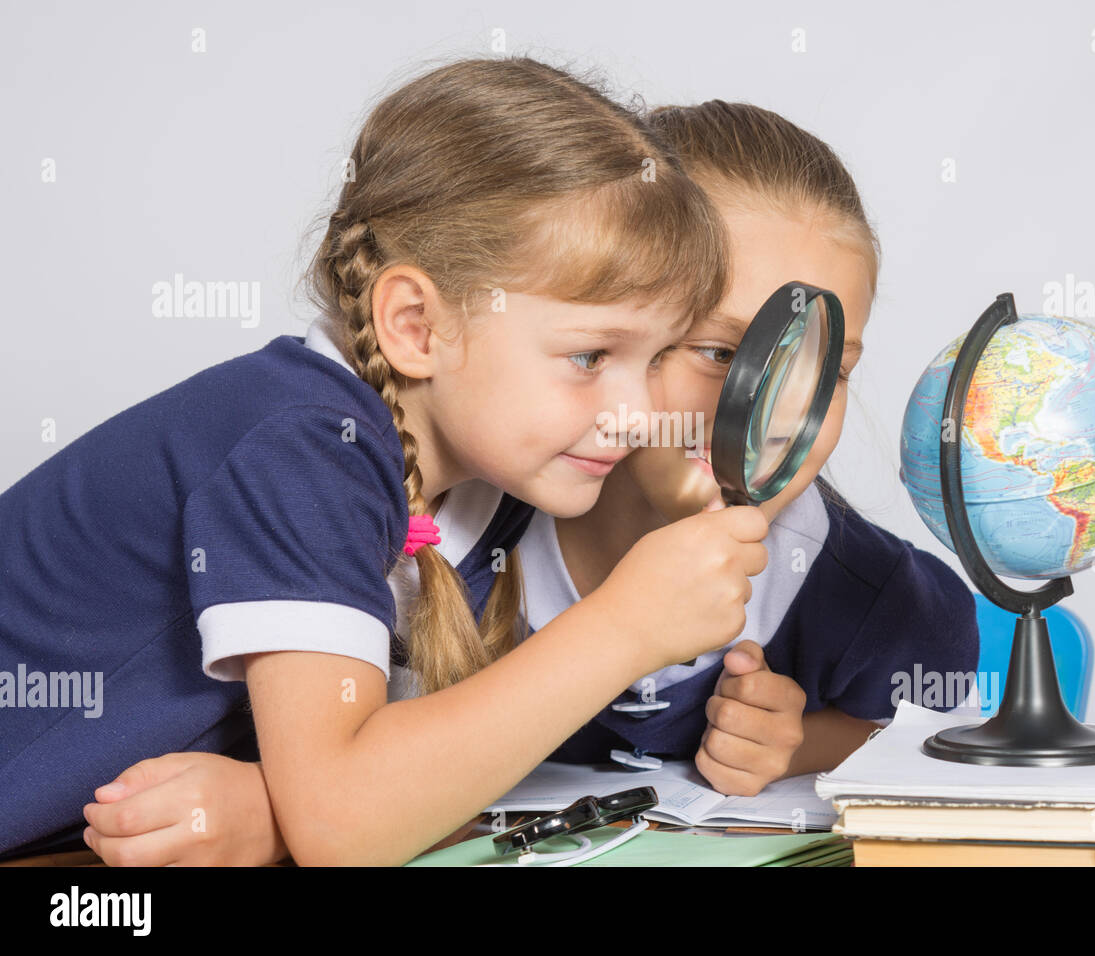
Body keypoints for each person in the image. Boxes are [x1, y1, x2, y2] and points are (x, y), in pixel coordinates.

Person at [0, 57, 770, 866]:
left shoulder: (491, 479)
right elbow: (345, 825)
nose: (639, 414)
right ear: (414, 326)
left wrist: (273, 807)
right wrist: (624, 626)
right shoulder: (301, 448)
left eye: (653, 362)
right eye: (589, 357)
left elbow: (421, 766)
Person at [511, 101, 982, 796]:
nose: (779, 417)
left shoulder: (881, 605)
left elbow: (948, 748)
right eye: (719, 350)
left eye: (830, 368)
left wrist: (804, 743)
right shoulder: (458, 544)